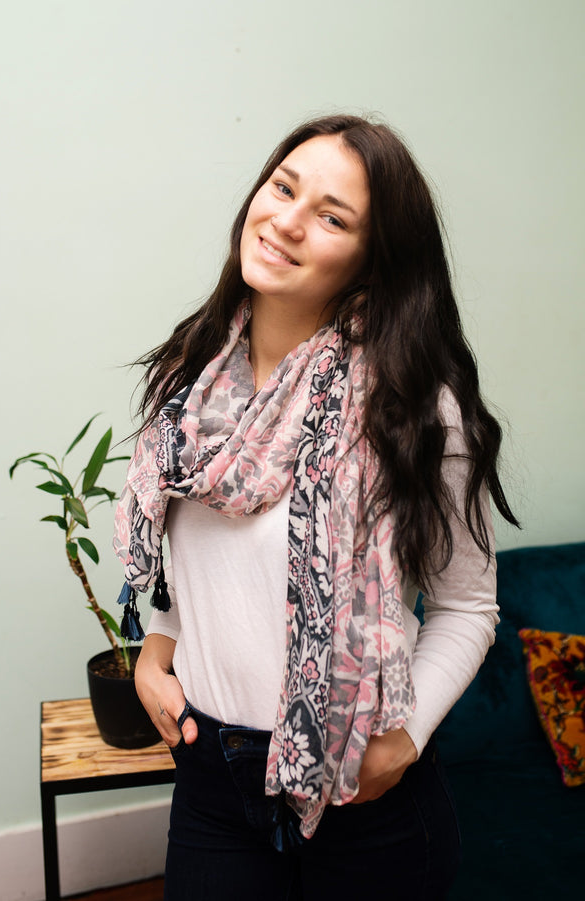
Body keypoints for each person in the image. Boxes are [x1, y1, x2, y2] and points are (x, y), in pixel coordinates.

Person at [113, 113, 518, 900]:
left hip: (364, 802)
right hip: (212, 782)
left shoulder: (416, 411)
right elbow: (194, 564)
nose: (288, 220)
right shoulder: (188, 381)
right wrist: (155, 651)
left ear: (373, 260)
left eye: (332, 216)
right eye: (283, 187)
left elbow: (468, 605)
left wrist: (402, 739)